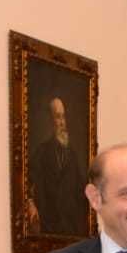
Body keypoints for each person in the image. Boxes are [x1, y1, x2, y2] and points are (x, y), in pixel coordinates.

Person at [28, 96, 90, 235]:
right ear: (50, 121)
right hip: (48, 225)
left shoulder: (72, 155)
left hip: (70, 228)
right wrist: (30, 203)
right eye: (57, 117)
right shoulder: (42, 152)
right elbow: (27, 182)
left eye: (63, 117)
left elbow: (81, 191)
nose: (62, 123)